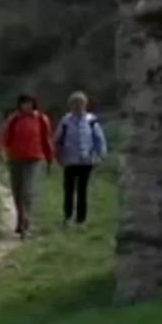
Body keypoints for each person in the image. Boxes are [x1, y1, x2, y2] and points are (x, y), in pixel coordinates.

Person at [0, 93, 55, 239]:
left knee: (27, 191)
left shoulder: (41, 119)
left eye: (30, 103)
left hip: (34, 159)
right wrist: (3, 152)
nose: (27, 106)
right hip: (15, 159)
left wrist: (50, 158)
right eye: (24, 103)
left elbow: (46, 139)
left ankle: (25, 224)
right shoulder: (14, 119)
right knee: (17, 191)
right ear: (20, 105)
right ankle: (20, 218)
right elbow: (5, 138)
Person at [53, 91, 108, 226]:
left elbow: (99, 139)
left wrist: (101, 155)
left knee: (82, 190)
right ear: (70, 106)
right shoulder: (65, 121)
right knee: (69, 189)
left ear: (85, 105)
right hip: (69, 160)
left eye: (80, 104)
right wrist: (57, 156)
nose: (77, 106)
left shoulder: (91, 121)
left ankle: (81, 219)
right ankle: (68, 217)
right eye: (74, 104)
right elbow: (57, 139)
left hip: (86, 160)